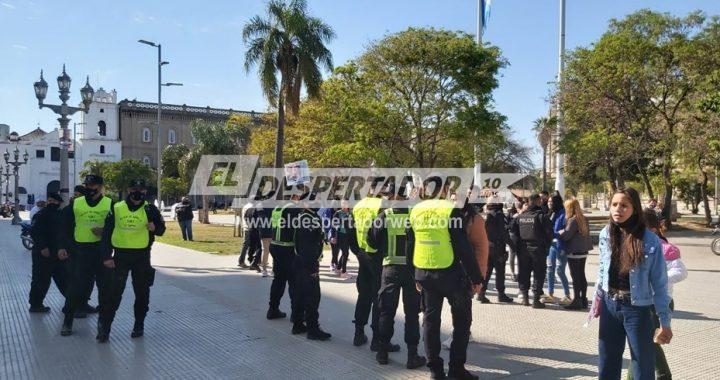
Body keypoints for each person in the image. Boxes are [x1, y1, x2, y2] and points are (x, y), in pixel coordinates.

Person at [407, 185, 483, 380]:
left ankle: (435, 371)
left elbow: (410, 244)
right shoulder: (450, 210)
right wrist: (476, 278)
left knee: (430, 322)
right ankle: (456, 369)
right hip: (451, 275)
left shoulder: (415, 210)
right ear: (442, 191)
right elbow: (463, 247)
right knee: (462, 321)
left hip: (424, 274)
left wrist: (415, 274)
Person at [596, 187, 673, 379]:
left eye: (624, 205)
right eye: (614, 204)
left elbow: (660, 284)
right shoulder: (606, 233)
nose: (618, 209)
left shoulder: (649, 240)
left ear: (635, 209)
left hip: (637, 308)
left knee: (642, 364)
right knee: (607, 361)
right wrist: (597, 301)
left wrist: (664, 321)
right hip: (609, 304)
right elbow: (602, 270)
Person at [97, 179, 166, 342]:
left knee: (142, 294)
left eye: (141, 190)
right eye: (135, 189)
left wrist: (154, 228)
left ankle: (139, 324)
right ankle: (104, 328)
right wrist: (107, 256)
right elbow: (107, 233)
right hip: (120, 257)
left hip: (142, 257)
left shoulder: (150, 209)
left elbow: (162, 230)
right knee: (113, 294)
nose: (138, 193)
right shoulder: (117, 208)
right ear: (129, 190)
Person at [367, 185, 426, 369]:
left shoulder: (384, 215)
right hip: (411, 271)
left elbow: (371, 241)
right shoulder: (414, 215)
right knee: (412, 315)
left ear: (393, 197)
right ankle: (412, 355)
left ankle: (383, 352)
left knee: (386, 312)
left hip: (389, 269)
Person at [625, 210, 687, 380]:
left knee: (643, 343)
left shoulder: (666, 248)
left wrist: (658, 280)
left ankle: (656, 375)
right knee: (645, 342)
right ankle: (663, 375)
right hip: (639, 303)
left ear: (652, 229)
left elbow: (681, 272)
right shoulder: (635, 245)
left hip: (659, 303)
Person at [58, 174, 113, 336]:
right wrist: (61, 247)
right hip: (80, 252)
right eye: (88, 185)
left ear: (101, 187)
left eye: (94, 185)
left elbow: (117, 227)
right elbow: (64, 226)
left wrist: (104, 231)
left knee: (105, 290)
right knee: (75, 287)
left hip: (102, 252)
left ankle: (103, 324)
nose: (91, 188)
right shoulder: (77, 204)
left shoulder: (110, 204)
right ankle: (68, 321)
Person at [347, 192, 389, 350]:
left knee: (363, 295)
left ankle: (358, 333)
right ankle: (376, 339)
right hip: (377, 257)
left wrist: (357, 252)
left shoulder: (358, 206)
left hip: (362, 254)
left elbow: (350, 231)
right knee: (378, 297)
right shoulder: (381, 205)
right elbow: (384, 232)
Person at [290, 197, 332, 340]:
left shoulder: (303, 216)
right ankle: (313, 329)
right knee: (312, 297)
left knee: (300, 294)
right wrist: (312, 268)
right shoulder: (308, 219)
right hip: (307, 263)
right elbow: (307, 246)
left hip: (299, 262)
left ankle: (298, 324)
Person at [511, 193, 553, 308]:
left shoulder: (521, 216)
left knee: (523, 273)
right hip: (537, 249)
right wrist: (546, 246)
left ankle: (525, 298)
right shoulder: (542, 216)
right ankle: (535, 300)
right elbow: (550, 233)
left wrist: (516, 248)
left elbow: (513, 233)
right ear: (538, 201)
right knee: (539, 274)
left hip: (523, 250)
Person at [28, 193, 67, 313]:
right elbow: (35, 232)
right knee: (41, 279)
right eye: (49, 200)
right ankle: (35, 304)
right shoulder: (40, 215)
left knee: (63, 278)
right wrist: (42, 247)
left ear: (58, 203)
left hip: (57, 253)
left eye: (53, 201)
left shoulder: (61, 215)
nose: (51, 203)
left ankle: (72, 302)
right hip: (42, 254)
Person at [266, 195, 302, 320]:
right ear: (295, 197)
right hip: (288, 249)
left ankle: (273, 309)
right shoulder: (293, 209)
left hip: (275, 245)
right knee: (294, 282)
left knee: (278, 280)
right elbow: (297, 230)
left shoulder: (277, 208)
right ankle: (296, 315)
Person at [558, 199, 593, 310]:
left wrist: (561, 232)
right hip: (583, 251)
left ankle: (576, 300)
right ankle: (583, 299)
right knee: (582, 275)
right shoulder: (584, 218)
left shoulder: (573, 220)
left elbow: (567, 235)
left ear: (570, 208)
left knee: (575, 276)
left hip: (574, 251)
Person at [478, 200, 512, 303]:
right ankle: (501, 295)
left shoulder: (485, 215)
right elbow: (504, 233)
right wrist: (513, 246)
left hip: (487, 247)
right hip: (498, 248)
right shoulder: (499, 215)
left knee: (487, 272)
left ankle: (481, 293)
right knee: (500, 272)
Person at [543, 192, 571, 305]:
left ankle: (567, 295)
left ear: (557, 202)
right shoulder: (550, 213)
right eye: (548, 201)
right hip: (551, 246)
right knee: (550, 269)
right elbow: (551, 231)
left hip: (561, 246)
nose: (549, 203)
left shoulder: (563, 214)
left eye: (551, 202)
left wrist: (553, 234)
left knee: (560, 271)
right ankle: (550, 294)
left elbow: (564, 231)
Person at [252, 200, 273, 277]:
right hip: (272, 230)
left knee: (265, 250)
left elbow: (254, 218)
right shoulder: (273, 207)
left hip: (263, 230)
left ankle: (264, 270)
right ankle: (274, 269)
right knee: (273, 251)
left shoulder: (259, 207)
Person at [331, 201, 352, 278]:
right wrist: (333, 236)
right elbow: (333, 225)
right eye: (342, 204)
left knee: (345, 253)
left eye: (345, 203)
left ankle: (338, 268)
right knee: (345, 253)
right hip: (340, 235)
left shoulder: (350, 213)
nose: (344, 205)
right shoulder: (338, 213)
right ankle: (343, 272)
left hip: (348, 235)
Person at [238, 200, 259, 269]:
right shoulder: (251, 207)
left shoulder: (246, 206)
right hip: (249, 228)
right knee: (246, 245)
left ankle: (255, 261)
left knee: (250, 245)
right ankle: (241, 261)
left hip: (246, 227)